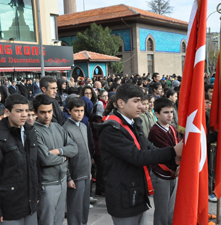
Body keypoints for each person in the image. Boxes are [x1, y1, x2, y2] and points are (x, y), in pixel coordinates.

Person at [97, 83, 183, 225]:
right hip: (123, 196)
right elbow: (137, 156)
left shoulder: (134, 122)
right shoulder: (111, 129)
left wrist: (175, 158)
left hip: (137, 192)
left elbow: (150, 148)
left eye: (140, 102)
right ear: (121, 103)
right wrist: (173, 151)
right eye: (136, 101)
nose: (141, 106)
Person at [33, 94, 78, 225]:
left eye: (49, 111)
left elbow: (74, 148)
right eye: (43, 112)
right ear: (35, 112)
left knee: (59, 220)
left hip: (62, 180)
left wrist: (59, 151)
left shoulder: (58, 127)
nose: (47, 116)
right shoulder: (33, 131)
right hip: (46, 184)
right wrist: (64, 158)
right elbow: (45, 159)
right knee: (46, 221)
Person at [0, 94, 40, 225]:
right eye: (19, 111)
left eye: (26, 111)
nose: (24, 115)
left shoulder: (30, 131)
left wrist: (36, 193)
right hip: (9, 207)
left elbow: (34, 165)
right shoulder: (2, 136)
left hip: (30, 205)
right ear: (7, 111)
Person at [148, 97, 180, 225]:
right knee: (162, 212)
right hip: (160, 174)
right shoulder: (155, 131)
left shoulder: (172, 129)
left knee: (171, 209)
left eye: (171, 112)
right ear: (157, 114)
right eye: (166, 112)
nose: (170, 115)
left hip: (172, 173)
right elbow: (168, 152)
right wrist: (178, 163)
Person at [63, 97, 92, 225]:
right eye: (76, 111)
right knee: (75, 209)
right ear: (69, 111)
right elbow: (65, 157)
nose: (79, 114)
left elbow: (86, 150)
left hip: (86, 173)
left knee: (85, 207)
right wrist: (69, 177)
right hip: (75, 175)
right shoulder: (65, 129)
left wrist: (89, 170)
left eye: (81, 110)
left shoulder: (84, 126)